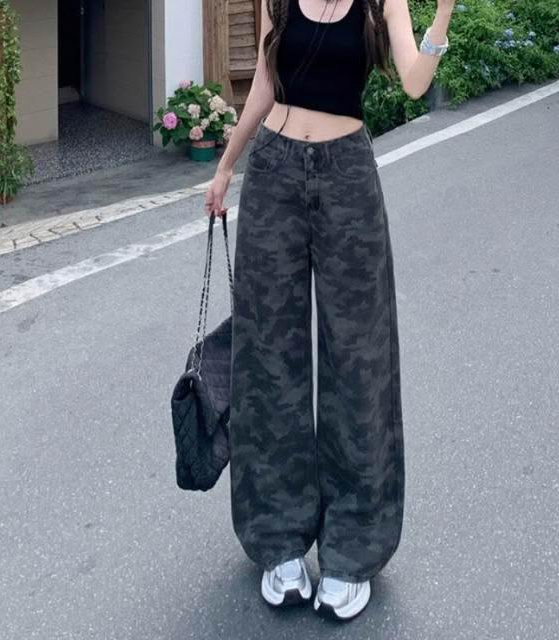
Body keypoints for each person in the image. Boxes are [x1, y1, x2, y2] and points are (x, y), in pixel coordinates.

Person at [204, 0, 454, 621]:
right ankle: (278, 539)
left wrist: (445, 11)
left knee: (358, 361)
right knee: (269, 358)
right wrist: (226, 165)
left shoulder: (382, 4)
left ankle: (352, 547)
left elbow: (415, 81)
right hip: (274, 175)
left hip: (347, 177)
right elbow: (265, 86)